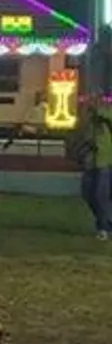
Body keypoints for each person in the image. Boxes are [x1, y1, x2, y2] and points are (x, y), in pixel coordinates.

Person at [73, 94, 112, 241]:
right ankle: (105, 221)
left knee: (101, 195)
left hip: (105, 160)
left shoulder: (106, 114)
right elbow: (83, 135)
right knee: (87, 193)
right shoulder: (89, 120)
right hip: (90, 161)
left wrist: (97, 109)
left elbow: (107, 116)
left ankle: (103, 227)